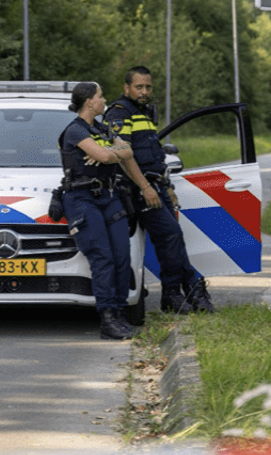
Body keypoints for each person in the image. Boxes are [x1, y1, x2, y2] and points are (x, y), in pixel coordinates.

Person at [104, 65, 215, 314]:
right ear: (126, 88)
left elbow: (154, 155)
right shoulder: (120, 113)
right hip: (137, 189)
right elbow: (123, 156)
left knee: (171, 239)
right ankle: (188, 290)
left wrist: (167, 186)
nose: (144, 91)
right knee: (171, 234)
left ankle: (176, 295)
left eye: (148, 87)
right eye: (138, 87)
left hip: (156, 185)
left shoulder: (144, 113)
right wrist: (145, 187)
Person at [58, 82, 157, 340]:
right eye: (100, 97)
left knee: (122, 256)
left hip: (109, 197)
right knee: (103, 257)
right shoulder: (75, 131)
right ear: (90, 102)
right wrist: (114, 152)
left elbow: (127, 152)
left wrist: (112, 151)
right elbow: (104, 156)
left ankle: (120, 313)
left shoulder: (101, 128)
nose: (104, 101)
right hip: (82, 199)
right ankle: (108, 319)